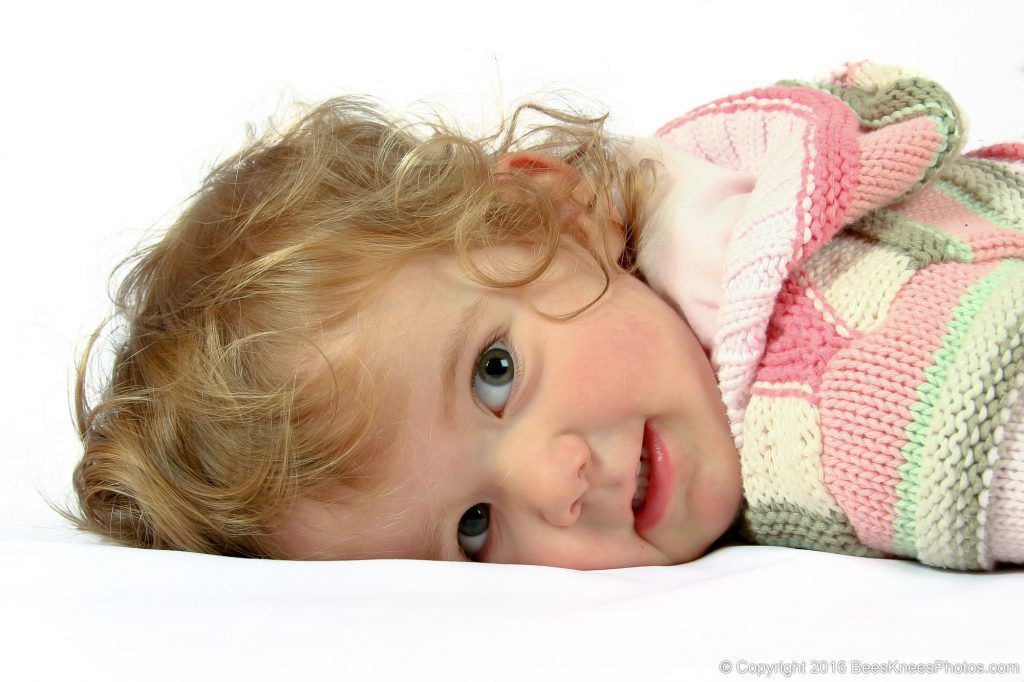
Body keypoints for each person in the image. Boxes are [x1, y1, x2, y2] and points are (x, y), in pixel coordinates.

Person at [60, 62, 1023, 570]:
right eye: (474, 529)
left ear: (550, 210)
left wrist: (678, 201)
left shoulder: (813, 366)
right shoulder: (820, 401)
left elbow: (878, 105)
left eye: (495, 374)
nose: (554, 483)